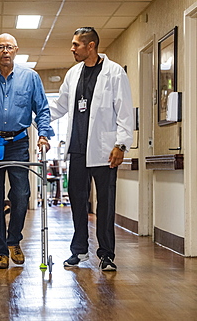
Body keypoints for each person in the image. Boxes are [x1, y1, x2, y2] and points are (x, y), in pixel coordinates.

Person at [0, 33, 53, 269]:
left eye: (9, 47)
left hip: (18, 143)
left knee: (21, 194)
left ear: (16, 50)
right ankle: (0, 251)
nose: (5, 51)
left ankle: (14, 241)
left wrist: (44, 135)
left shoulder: (30, 78)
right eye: (1, 47)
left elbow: (42, 110)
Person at [49, 27, 133, 271]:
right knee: (77, 201)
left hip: (105, 150)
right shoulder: (73, 74)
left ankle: (106, 254)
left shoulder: (114, 73)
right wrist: (36, 119)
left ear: (91, 45)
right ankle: (80, 251)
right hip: (77, 149)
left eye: (76, 44)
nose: (72, 49)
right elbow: (60, 106)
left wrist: (121, 144)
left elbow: (125, 112)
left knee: (105, 203)